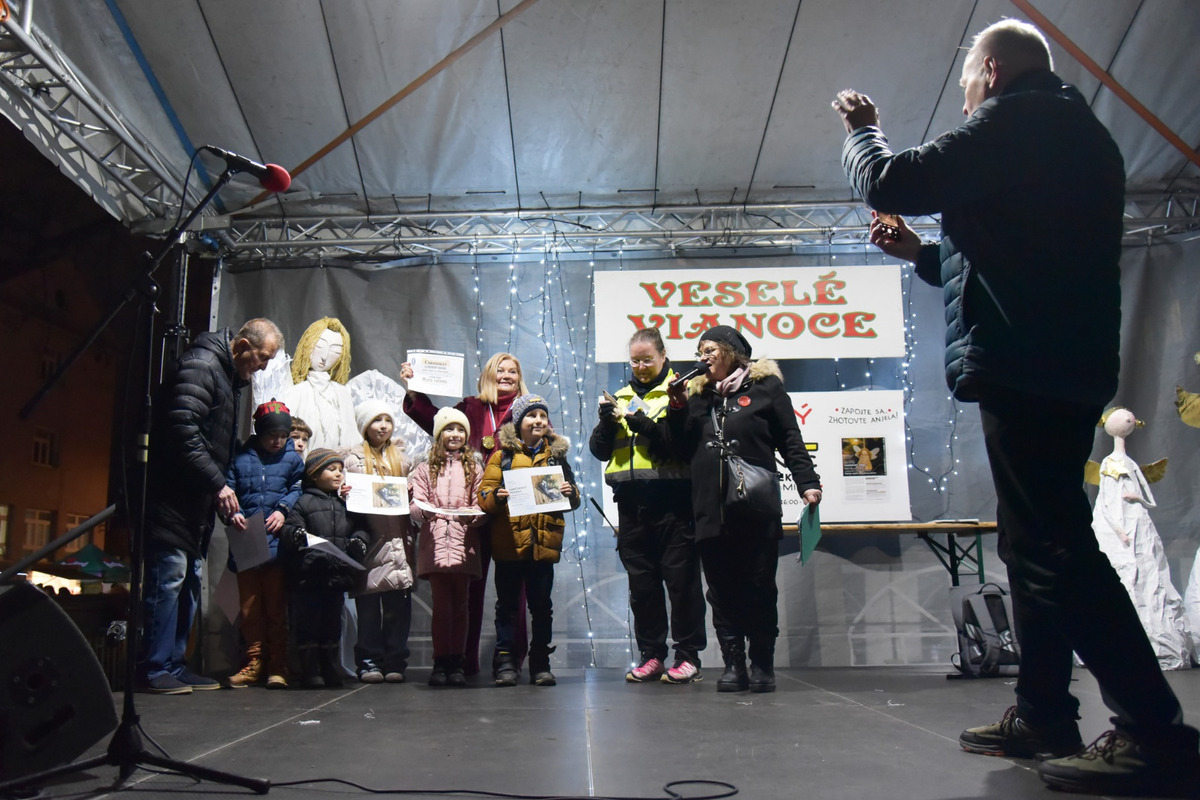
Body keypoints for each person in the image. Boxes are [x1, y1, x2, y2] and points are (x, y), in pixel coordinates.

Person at [833, 18, 1200, 794]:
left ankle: (1152, 730)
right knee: (1034, 542)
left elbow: (894, 180)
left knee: (1052, 548)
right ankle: (1043, 713)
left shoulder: (1020, 118)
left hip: (1031, 364)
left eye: (968, 79)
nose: (965, 94)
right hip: (1053, 359)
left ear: (991, 71)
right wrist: (920, 256)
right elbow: (1010, 258)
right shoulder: (1071, 132)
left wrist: (865, 133)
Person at [665, 326, 821, 694]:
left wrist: (807, 482)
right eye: (699, 350)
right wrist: (676, 406)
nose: (702, 356)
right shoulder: (697, 395)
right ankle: (734, 664)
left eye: (710, 349)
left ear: (732, 352)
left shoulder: (767, 388)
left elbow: (790, 440)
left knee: (760, 586)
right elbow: (676, 447)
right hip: (709, 509)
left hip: (755, 507)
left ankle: (762, 664)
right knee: (720, 590)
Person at [137, 318, 282, 695]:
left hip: (195, 505)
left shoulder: (228, 379)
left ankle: (174, 664)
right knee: (168, 580)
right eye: (262, 357)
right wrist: (218, 484)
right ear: (242, 347)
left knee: (187, 582)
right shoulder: (202, 366)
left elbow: (218, 443)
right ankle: (154, 668)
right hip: (173, 500)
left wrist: (225, 490)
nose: (263, 366)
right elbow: (182, 427)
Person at [588, 327, 706, 684]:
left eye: (647, 360)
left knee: (682, 583)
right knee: (643, 587)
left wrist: (646, 425)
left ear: (663, 356)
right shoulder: (620, 395)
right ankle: (651, 655)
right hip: (630, 505)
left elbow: (682, 446)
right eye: (635, 360)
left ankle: (687, 657)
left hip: (673, 502)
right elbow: (599, 451)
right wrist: (608, 424)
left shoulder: (681, 391)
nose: (640, 367)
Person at [401, 352, 530, 675]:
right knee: (466, 590)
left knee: (515, 590)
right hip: (469, 512)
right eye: (499, 370)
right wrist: (415, 391)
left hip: (511, 510)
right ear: (488, 374)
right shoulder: (471, 407)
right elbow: (441, 423)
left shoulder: (529, 409)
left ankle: (510, 660)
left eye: (512, 370)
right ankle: (462, 660)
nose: (506, 375)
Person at [478, 393, 580, 686]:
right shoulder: (502, 457)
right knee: (507, 607)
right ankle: (507, 663)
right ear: (518, 421)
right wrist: (497, 497)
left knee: (541, 608)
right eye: (531, 415)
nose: (538, 420)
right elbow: (484, 497)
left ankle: (540, 663)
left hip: (543, 547)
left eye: (542, 415)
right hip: (509, 547)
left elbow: (573, 500)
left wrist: (570, 493)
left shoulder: (557, 456)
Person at [1090, 408, 1194, 671]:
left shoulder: (1128, 464)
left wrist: (1138, 500)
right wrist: (1119, 529)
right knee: (1124, 574)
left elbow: (1146, 496)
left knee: (1149, 574)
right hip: (1119, 528)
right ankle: (1122, 642)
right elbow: (1105, 503)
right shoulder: (1108, 465)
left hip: (1137, 523)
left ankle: (1155, 642)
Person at [223, 400, 304, 689]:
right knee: (249, 608)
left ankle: (277, 665)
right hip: (246, 541)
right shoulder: (240, 457)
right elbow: (228, 490)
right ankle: (253, 662)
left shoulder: (292, 459)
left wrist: (283, 510)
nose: (278, 441)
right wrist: (232, 514)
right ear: (259, 432)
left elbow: (298, 488)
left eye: (283, 436)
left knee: (275, 606)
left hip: (277, 547)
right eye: (273, 435)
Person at [409, 407, 487, 687]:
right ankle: (441, 661)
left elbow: (481, 500)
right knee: (442, 606)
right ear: (438, 433)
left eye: (460, 429)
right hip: (436, 543)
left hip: (465, 544)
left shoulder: (475, 467)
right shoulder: (424, 467)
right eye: (448, 429)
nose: (454, 435)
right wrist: (422, 511)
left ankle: (458, 662)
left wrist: (477, 514)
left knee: (462, 605)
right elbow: (416, 501)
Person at [279, 448, 370, 688]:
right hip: (309, 577)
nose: (339, 474)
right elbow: (289, 529)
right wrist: (297, 534)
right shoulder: (303, 502)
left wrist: (359, 541)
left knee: (332, 623)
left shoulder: (345, 503)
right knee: (309, 623)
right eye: (331, 469)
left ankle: (330, 665)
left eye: (341, 470)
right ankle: (310, 668)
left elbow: (360, 527)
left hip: (336, 575)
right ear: (314, 474)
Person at [342, 399, 415, 683]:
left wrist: (411, 493)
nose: (382, 425)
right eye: (376, 420)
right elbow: (341, 496)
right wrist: (343, 491)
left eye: (387, 420)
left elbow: (414, 499)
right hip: (368, 541)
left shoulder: (403, 460)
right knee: (369, 607)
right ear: (364, 426)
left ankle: (396, 661)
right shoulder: (351, 461)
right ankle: (369, 662)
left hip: (398, 543)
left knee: (398, 607)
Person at [281, 317, 359, 451]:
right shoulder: (296, 392)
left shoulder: (342, 394)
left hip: (334, 466)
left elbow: (351, 436)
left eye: (335, 351)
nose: (325, 356)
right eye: (319, 346)